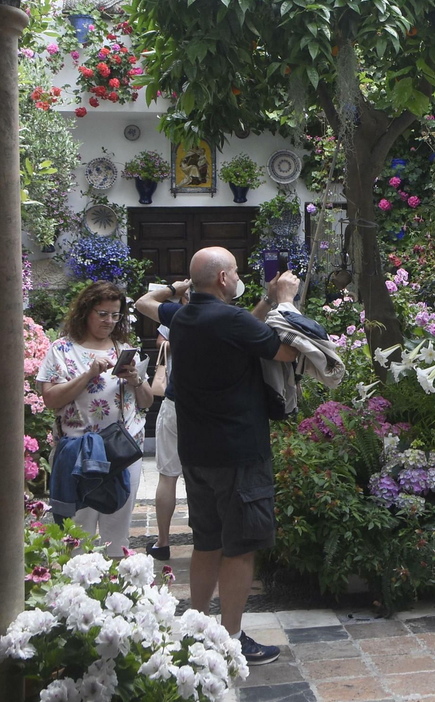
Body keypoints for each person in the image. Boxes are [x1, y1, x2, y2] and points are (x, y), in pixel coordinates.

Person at [171, 248, 298, 666]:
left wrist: (264, 300)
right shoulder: (231, 320)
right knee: (240, 547)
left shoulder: (183, 317)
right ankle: (231, 638)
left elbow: (243, 327)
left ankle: (196, 627)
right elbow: (285, 351)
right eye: (237, 273)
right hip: (238, 454)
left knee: (206, 542)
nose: (239, 277)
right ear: (224, 278)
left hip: (197, 453)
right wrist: (285, 301)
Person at [35, 281, 153, 557]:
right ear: (86, 312)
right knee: (78, 529)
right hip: (79, 450)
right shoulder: (61, 350)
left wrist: (136, 380)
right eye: (103, 314)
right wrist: (88, 375)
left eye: (115, 315)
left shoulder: (123, 348)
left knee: (118, 528)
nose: (110, 321)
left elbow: (146, 401)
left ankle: (117, 592)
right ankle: (76, 593)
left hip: (121, 451)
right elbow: (50, 399)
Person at [133, 277, 192, 561]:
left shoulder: (179, 315)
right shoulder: (230, 318)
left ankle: (164, 542)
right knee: (204, 475)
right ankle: (208, 540)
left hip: (176, 402)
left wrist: (172, 290)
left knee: (168, 476)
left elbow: (143, 303)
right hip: (210, 409)